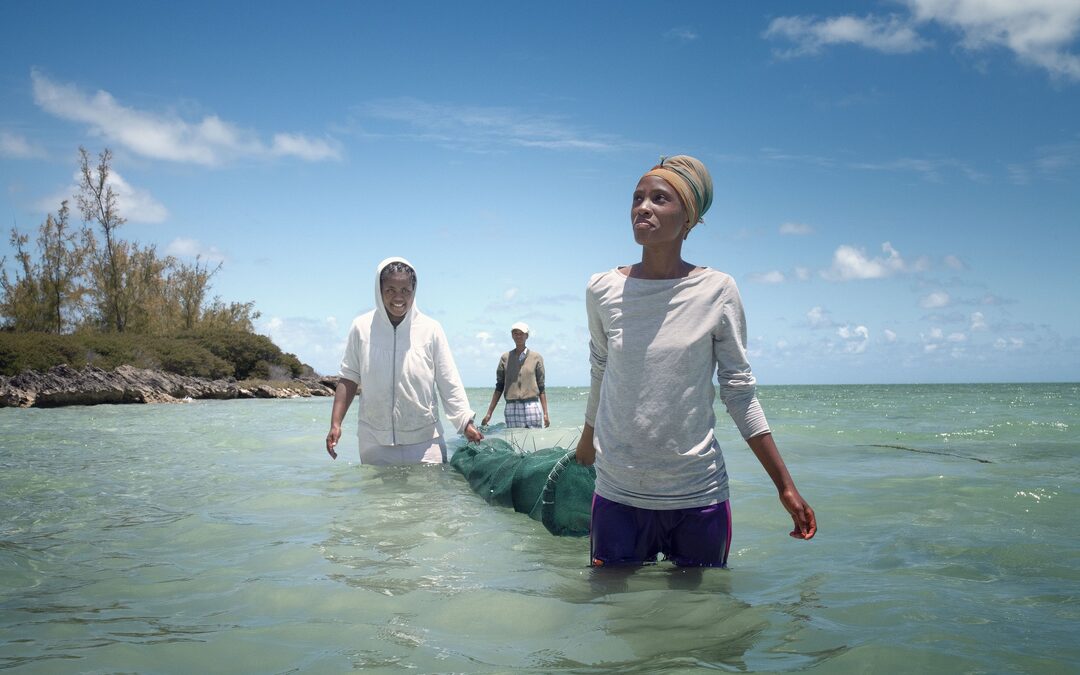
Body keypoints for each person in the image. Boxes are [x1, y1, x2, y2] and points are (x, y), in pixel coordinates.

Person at [575, 155, 816, 568]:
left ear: (689, 217)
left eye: (659, 198)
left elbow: (739, 392)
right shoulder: (602, 289)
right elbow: (601, 369)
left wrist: (785, 486)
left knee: (702, 620)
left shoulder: (718, 290)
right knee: (614, 617)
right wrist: (587, 436)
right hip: (619, 491)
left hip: (698, 494)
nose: (642, 207)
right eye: (637, 198)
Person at [325, 257, 483, 465]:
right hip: (374, 441)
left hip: (426, 442)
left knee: (430, 498)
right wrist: (336, 424)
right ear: (379, 290)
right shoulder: (361, 327)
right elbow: (349, 378)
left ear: (414, 291)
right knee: (379, 499)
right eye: (390, 290)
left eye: (405, 290)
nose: (398, 297)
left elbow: (448, 380)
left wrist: (465, 422)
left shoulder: (431, 329)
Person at [480, 322, 550, 428]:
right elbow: (499, 386)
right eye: (515, 333)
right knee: (515, 439)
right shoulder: (505, 358)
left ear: (527, 336)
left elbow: (541, 387)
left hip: (532, 405)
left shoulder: (536, 357)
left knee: (533, 438)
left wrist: (545, 414)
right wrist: (489, 413)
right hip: (511, 406)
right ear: (512, 336)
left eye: (521, 333)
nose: (518, 336)